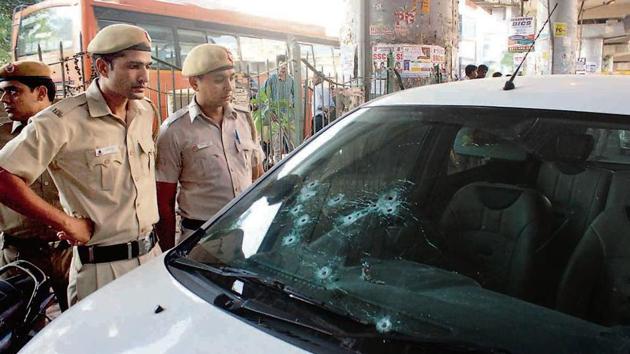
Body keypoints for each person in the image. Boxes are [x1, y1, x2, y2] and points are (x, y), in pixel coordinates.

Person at [0, 24, 161, 305]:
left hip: (151, 256)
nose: (144, 76)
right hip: (102, 269)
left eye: (147, 65)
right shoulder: (62, 120)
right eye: (134, 66)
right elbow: (3, 177)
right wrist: (66, 223)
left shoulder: (145, 111)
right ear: (102, 67)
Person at [156, 44, 264, 249]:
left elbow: (258, 175)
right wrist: (168, 253)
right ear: (194, 83)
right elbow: (164, 202)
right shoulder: (174, 130)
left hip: (246, 232)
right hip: (201, 240)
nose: (229, 87)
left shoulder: (244, 119)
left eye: (231, 78)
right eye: (219, 80)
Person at [0, 60, 72, 310]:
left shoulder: (71, 130)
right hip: (20, 252)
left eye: (13, 91)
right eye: (3, 92)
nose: (4, 99)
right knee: (19, 326)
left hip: (69, 251)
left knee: (81, 318)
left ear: (41, 92)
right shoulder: (1, 137)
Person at [259, 54, 295, 165]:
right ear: (278, 66)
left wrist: (292, 104)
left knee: (293, 145)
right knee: (277, 148)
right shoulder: (271, 80)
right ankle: (278, 169)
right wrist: (269, 111)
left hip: (288, 117)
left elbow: (296, 96)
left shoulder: (291, 80)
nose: (284, 69)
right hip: (274, 117)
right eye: (282, 66)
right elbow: (262, 96)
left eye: (286, 66)